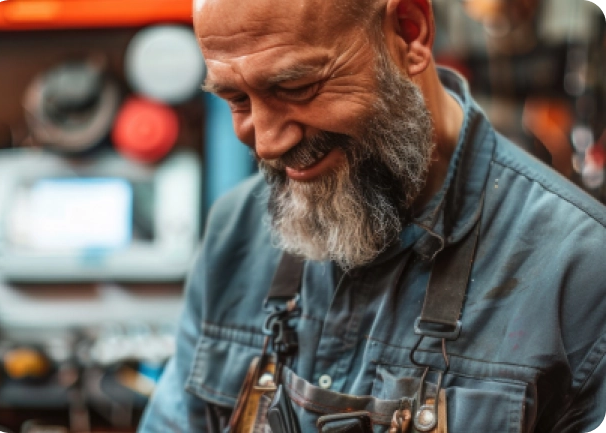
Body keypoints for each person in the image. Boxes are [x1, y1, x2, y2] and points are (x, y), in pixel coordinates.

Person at [139, 0, 606, 431]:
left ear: (409, 32)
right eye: (237, 100)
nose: (266, 143)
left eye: (296, 87)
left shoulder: (580, 272)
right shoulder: (235, 230)